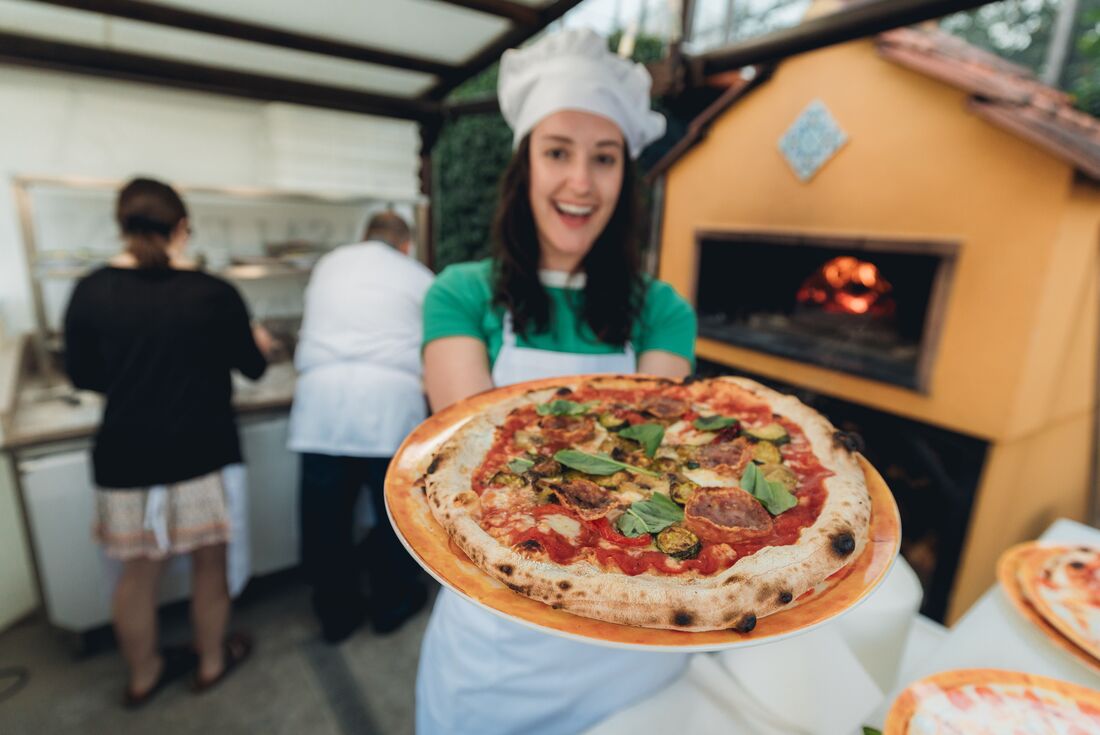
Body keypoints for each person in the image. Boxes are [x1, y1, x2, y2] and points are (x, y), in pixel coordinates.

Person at [415, 29, 697, 735]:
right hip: (498, 650)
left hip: (637, 637)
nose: (581, 181)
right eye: (558, 152)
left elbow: (652, 461)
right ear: (525, 166)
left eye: (605, 159)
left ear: (624, 179)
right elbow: (472, 464)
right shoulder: (460, 294)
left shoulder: (661, 309)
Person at [63, 177, 272, 706]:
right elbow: (252, 367)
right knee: (209, 566)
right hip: (200, 453)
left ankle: (143, 676)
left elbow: (83, 375)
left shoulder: (90, 290)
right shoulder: (213, 292)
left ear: (123, 226)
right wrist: (259, 342)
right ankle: (210, 661)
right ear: (182, 228)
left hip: (125, 455)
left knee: (136, 576)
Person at [288, 211, 433, 643]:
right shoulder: (419, 275)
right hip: (390, 403)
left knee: (325, 519)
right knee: (393, 518)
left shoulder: (330, 264)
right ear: (405, 244)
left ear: (363, 237)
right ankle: (392, 605)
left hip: (322, 403)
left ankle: (335, 616)